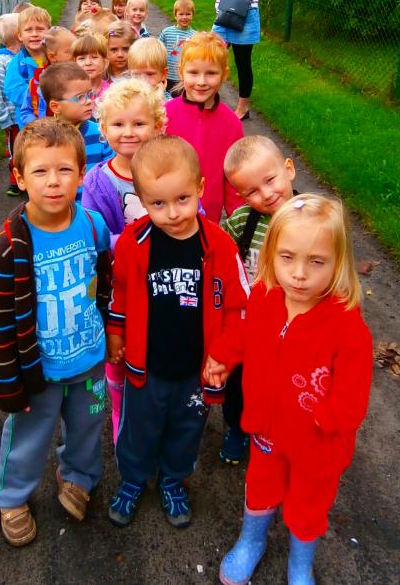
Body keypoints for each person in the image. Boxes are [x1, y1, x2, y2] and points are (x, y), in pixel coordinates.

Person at [218, 194, 373, 585]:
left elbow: (353, 393)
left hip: (317, 442)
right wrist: (223, 355)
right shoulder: (265, 297)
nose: (299, 274)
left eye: (316, 261)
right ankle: (252, 541)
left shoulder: (346, 325)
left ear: (339, 263)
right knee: (261, 485)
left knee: (308, 503)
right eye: (287, 257)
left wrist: (325, 418)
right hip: (266, 428)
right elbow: (245, 333)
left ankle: (300, 563)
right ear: (271, 253)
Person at [0, 118, 112, 546]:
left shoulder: (93, 226)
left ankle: (77, 477)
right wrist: (7, 385)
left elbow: (105, 285)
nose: (53, 182)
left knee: (87, 427)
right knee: (27, 437)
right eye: (40, 171)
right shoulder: (7, 247)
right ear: (19, 178)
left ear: (82, 174)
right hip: (37, 371)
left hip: (88, 358)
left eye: (64, 170)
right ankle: (12, 497)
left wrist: (111, 331)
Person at [106, 135, 249, 528]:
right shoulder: (134, 244)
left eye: (182, 199)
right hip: (146, 365)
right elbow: (120, 292)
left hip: (195, 369)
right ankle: (133, 479)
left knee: (187, 429)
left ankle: (173, 480)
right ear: (141, 199)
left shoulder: (220, 246)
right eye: (158, 203)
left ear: (200, 187)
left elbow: (239, 308)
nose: (172, 213)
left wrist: (224, 353)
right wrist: (116, 332)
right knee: (138, 428)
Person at [82, 79, 167, 443]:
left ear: (157, 126)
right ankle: (120, 410)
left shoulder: (168, 170)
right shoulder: (98, 181)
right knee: (117, 353)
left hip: (162, 281)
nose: (128, 132)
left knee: (157, 347)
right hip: (120, 285)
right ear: (103, 129)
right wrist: (139, 243)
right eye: (118, 124)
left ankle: (157, 412)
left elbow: (191, 213)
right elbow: (95, 233)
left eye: (139, 123)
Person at [218, 135, 297, 465]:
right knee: (239, 382)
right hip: (249, 324)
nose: (265, 194)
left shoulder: (311, 218)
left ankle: (278, 430)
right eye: (251, 191)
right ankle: (238, 427)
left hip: (292, 325)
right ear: (240, 195)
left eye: (270, 180)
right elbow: (218, 250)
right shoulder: (243, 220)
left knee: (283, 382)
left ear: (288, 169)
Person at [165, 32, 243, 223]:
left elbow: (235, 178)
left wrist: (238, 221)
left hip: (208, 220)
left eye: (211, 73)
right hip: (166, 214)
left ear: (224, 74)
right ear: (181, 72)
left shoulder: (231, 123)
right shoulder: (165, 115)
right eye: (193, 73)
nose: (201, 82)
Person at [39, 62, 114, 185]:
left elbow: (111, 173)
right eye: (80, 97)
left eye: (89, 94)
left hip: (96, 196)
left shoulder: (101, 132)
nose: (89, 101)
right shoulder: (44, 138)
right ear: (55, 106)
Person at [17, 26, 74, 127]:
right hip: (45, 133)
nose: (76, 54)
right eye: (70, 51)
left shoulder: (78, 78)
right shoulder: (37, 82)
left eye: (76, 49)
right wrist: (39, 125)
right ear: (52, 56)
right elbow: (26, 111)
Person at [0, 12, 21, 196]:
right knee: (16, 148)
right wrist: (3, 119)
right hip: (12, 118)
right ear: (19, 35)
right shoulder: (2, 62)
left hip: (26, 114)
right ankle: (14, 180)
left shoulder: (24, 56)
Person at [3, 6, 50, 110]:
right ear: (20, 36)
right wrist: (40, 94)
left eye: (40, 29)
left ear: (49, 32)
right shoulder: (17, 63)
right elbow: (13, 89)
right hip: (30, 115)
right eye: (28, 30)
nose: (34, 34)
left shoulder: (56, 57)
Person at [158, 0, 196, 92]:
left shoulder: (195, 36)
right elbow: (158, 50)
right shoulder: (167, 32)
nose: (184, 17)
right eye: (181, 14)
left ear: (193, 15)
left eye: (188, 14)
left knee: (182, 99)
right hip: (167, 75)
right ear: (175, 15)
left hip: (184, 78)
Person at [71, 32, 110, 101]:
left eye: (94, 57)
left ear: (105, 63)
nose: (88, 63)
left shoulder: (111, 92)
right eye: (82, 58)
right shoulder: (69, 92)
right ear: (74, 63)